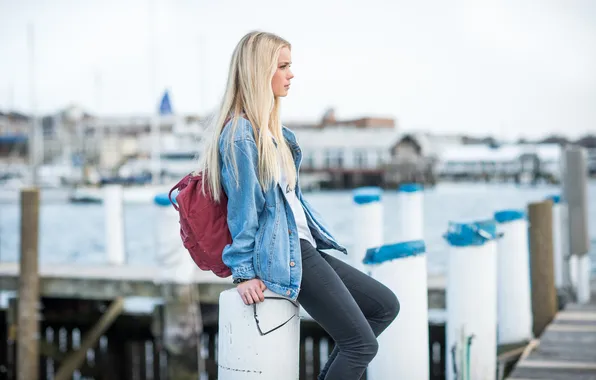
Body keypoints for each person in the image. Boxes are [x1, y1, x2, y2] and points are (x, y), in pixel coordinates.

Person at [198, 30, 400, 380]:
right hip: (287, 255)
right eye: (283, 66)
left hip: (303, 248)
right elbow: (243, 211)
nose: (291, 74)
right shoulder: (241, 135)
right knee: (361, 345)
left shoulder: (274, 132)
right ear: (259, 72)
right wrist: (242, 273)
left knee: (384, 306)